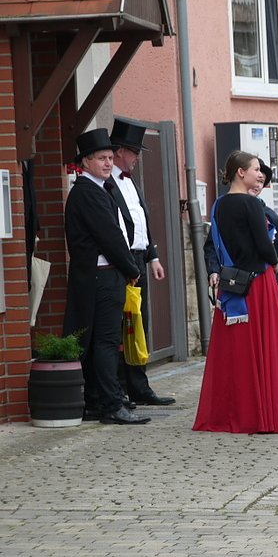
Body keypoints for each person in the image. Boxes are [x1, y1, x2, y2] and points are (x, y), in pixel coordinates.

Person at [194, 150, 278, 434]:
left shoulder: (218, 206)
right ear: (241, 173)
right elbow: (265, 246)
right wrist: (275, 262)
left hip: (233, 284)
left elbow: (213, 243)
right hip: (259, 284)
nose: (259, 173)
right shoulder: (252, 205)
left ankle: (231, 413)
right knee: (263, 349)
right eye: (255, 169)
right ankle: (264, 415)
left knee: (235, 352)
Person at [63, 129, 150, 425]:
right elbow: (111, 237)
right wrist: (132, 269)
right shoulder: (87, 192)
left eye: (110, 158)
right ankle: (110, 403)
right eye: (101, 158)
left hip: (102, 276)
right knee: (105, 341)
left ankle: (100, 401)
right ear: (85, 162)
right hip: (102, 276)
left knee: (100, 341)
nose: (106, 163)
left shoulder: (98, 189)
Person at [106, 117, 175, 406]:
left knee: (140, 324)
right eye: (134, 152)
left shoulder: (130, 182)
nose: (136, 159)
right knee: (123, 325)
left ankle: (139, 385)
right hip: (120, 262)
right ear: (121, 151)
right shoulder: (107, 184)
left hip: (139, 258)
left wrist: (153, 256)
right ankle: (121, 387)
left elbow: (141, 221)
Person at [204, 158, 278, 309]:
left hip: (259, 279)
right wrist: (213, 270)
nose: (257, 185)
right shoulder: (224, 209)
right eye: (256, 177)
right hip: (233, 280)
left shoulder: (270, 216)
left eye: (261, 182)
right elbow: (213, 244)